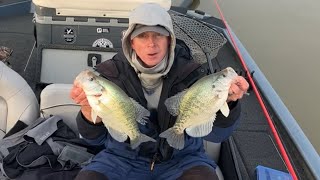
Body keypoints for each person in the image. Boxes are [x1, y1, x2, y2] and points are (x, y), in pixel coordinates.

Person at [70, 3, 249, 180]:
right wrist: (87, 109)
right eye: (142, 36)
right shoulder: (109, 76)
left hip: (182, 159)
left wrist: (230, 102)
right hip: (121, 159)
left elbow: (218, 135)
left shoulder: (194, 74)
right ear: (130, 41)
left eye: (158, 35)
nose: (151, 44)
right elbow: (95, 140)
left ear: (169, 39)